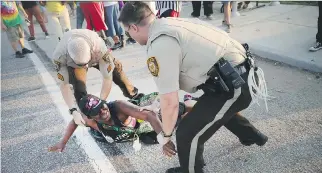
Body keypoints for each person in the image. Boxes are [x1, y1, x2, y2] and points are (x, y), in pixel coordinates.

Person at [118, 2, 269, 173]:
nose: (129, 35)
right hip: (238, 76)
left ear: (133, 27)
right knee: (210, 110)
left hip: (235, 85)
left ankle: (191, 170)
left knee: (186, 133)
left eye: (127, 31)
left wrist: (165, 136)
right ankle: (251, 136)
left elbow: (170, 102)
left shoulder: (159, 44)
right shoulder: (169, 23)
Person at [51, 29, 143, 140]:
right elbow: (64, 85)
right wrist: (73, 110)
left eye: (85, 63)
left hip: (96, 53)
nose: (85, 66)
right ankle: (95, 123)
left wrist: (101, 102)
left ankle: (134, 95)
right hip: (74, 64)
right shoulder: (59, 56)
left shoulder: (99, 47)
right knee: (79, 89)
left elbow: (107, 77)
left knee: (116, 70)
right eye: (82, 64)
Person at [48, 93, 195, 152]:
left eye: (102, 106)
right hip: (133, 132)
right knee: (152, 137)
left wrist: (165, 140)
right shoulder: (90, 121)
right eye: (96, 113)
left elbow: (149, 115)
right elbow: (74, 121)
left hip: (142, 113)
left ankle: (189, 101)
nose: (102, 111)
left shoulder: (119, 107)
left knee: (169, 114)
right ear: (90, 117)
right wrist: (63, 142)